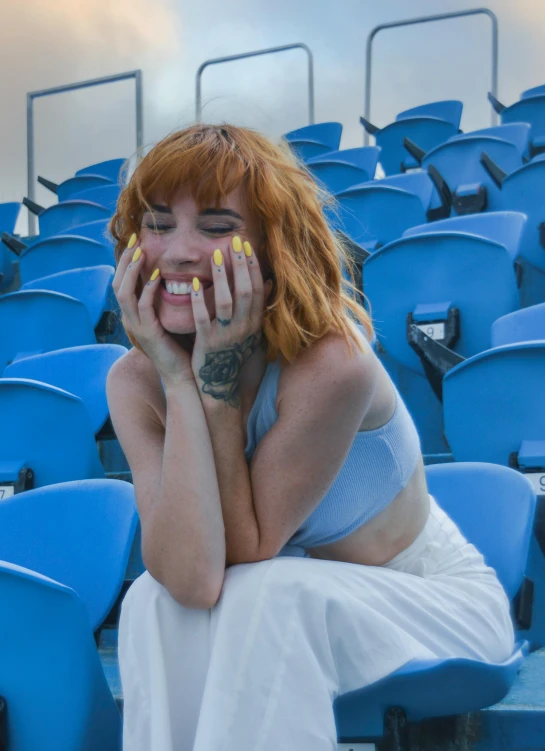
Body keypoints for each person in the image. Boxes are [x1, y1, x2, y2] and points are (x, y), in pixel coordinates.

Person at [106, 123, 514, 751]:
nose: (179, 252)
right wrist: (178, 380)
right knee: (150, 606)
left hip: (433, 606)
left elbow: (246, 549)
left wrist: (211, 388)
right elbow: (189, 580)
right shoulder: (135, 382)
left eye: (216, 228)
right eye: (159, 225)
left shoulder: (334, 364)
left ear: (272, 251)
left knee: (267, 590)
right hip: (287, 603)